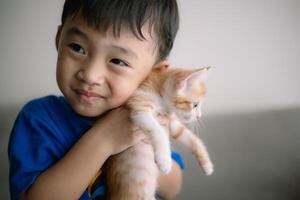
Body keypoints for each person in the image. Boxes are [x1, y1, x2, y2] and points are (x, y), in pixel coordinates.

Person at [8, 0, 185, 199]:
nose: (91, 75)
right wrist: (105, 140)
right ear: (59, 40)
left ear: (155, 74)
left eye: (117, 61)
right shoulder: (39, 118)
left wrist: (145, 150)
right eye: (77, 48)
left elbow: (172, 188)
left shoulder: (146, 119)